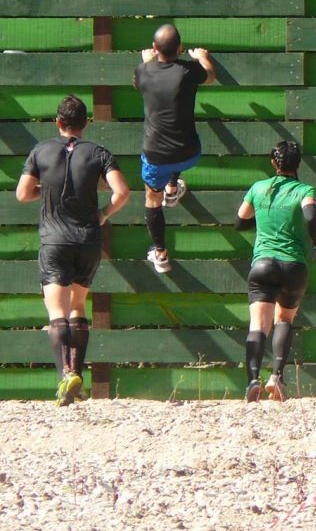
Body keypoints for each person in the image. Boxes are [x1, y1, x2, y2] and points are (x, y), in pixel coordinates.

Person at [15, 95, 129, 406]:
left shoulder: (41, 150)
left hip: (54, 241)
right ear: (86, 124)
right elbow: (121, 193)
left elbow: (22, 194)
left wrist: (48, 190)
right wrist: (103, 214)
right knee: (78, 307)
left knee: (56, 314)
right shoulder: (98, 153)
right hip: (88, 241)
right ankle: (77, 376)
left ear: (58, 123)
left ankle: (65, 376)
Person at [236, 141, 316, 403]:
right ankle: (276, 375)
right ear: (298, 164)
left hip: (263, 264)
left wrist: (264, 218)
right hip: (293, 265)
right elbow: (311, 217)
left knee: (258, 325)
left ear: (273, 163)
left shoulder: (258, 189)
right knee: (284, 320)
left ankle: (252, 379)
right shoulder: (305, 190)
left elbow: (240, 221)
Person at [133, 24, 216, 274]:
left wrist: (148, 62)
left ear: (155, 48)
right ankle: (172, 188)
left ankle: (160, 253)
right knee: (176, 160)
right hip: (189, 153)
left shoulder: (144, 72)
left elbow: (138, 84)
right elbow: (210, 76)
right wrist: (203, 58)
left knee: (151, 199)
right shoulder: (188, 71)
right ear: (180, 48)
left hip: (157, 157)